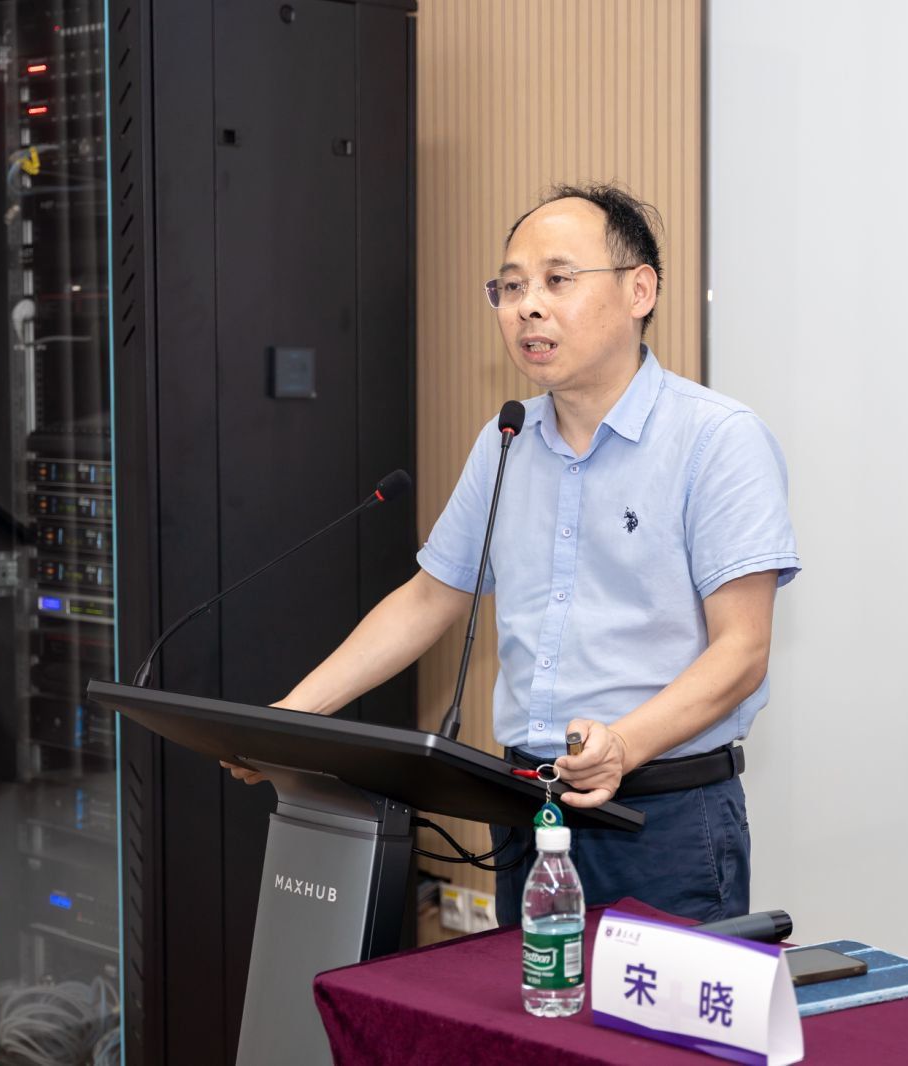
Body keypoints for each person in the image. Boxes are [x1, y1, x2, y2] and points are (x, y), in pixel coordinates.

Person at [227, 183, 798, 925]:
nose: (528, 306)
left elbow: (743, 650)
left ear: (639, 291)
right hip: (525, 811)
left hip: (664, 819)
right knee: (524, 1001)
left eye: (558, 280)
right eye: (511, 287)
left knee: (655, 1010)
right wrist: (290, 719)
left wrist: (624, 744)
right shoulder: (507, 440)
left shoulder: (717, 439)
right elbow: (429, 598)